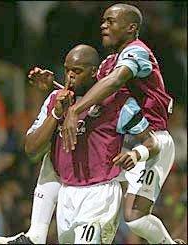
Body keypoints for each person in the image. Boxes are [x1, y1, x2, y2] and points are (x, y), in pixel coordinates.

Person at [0, 44, 160, 244]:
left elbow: (152, 142)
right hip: (67, 193)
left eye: (77, 71)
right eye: (67, 70)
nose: (70, 76)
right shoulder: (56, 99)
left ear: (94, 72)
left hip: (100, 195)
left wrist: (135, 154)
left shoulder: (118, 103)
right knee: (49, 159)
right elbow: (31, 148)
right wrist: (56, 113)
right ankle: (34, 235)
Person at [60, 3, 185, 244]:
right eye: (103, 21)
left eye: (110, 21)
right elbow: (92, 94)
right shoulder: (109, 61)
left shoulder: (137, 52)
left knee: (135, 218)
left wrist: (75, 109)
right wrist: (56, 87)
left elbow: (116, 81)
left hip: (151, 141)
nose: (103, 25)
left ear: (131, 28)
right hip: (121, 145)